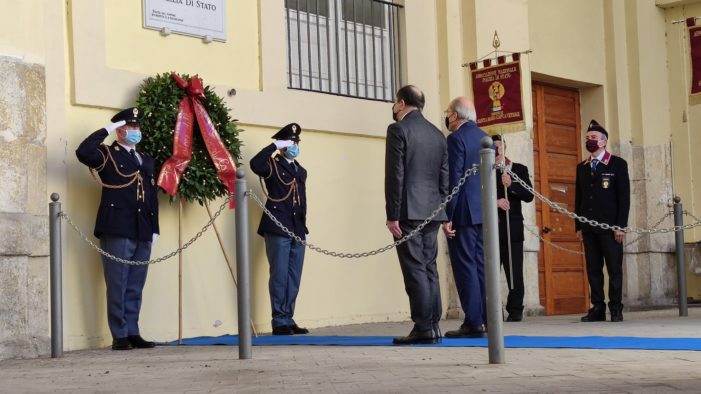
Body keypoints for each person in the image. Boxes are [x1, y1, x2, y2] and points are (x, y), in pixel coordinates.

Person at [75, 107, 159, 350]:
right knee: (118, 281)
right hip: (117, 226)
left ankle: (133, 331)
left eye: (136, 127)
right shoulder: (107, 154)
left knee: (136, 283)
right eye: (129, 127)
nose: (135, 131)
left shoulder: (146, 160)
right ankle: (119, 334)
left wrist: (154, 229)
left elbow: (151, 196)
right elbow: (83, 151)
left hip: (142, 227)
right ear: (120, 131)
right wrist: (108, 129)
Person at [385, 85, 449, 345]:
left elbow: (395, 175)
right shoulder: (437, 134)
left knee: (414, 269)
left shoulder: (398, 129)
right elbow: (445, 178)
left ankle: (423, 326)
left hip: (408, 210)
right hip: (433, 211)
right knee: (429, 267)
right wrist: (442, 210)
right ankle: (433, 325)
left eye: (394, 103)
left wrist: (392, 214)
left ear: (401, 104)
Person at [250, 123, 310, 335]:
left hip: (297, 229)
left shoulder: (300, 170)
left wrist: (303, 229)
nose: (294, 145)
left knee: (293, 275)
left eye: (295, 142)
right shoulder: (272, 166)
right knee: (280, 274)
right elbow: (254, 164)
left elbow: (301, 202)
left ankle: (289, 317)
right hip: (277, 226)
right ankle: (279, 320)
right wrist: (275, 145)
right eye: (290, 142)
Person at [442, 97, 488, 338]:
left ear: (456, 115)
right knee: (481, 266)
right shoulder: (484, 135)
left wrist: (448, 215)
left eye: (448, 112)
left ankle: (473, 321)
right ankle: (488, 318)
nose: (446, 116)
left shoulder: (456, 138)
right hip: (483, 213)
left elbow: (455, 179)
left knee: (465, 266)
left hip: (463, 213)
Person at [575, 119, 630, 322]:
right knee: (593, 269)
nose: (590, 141)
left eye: (594, 138)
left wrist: (620, 226)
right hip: (589, 228)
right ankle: (597, 307)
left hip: (610, 228)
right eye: (588, 138)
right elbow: (578, 198)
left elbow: (624, 198)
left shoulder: (617, 164)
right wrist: (579, 226)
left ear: (604, 142)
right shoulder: (582, 167)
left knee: (614, 269)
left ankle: (616, 307)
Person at [492, 135, 534, 322]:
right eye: (493, 147)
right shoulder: (484, 170)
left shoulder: (518, 169)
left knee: (515, 271)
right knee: (491, 271)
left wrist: (512, 184)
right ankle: (493, 310)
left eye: (500, 146)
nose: (497, 150)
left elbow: (529, 195)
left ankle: (515, 309)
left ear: (505, 148)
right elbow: (477, 196)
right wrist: (495, 202)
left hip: (513, 227)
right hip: (492, 229)